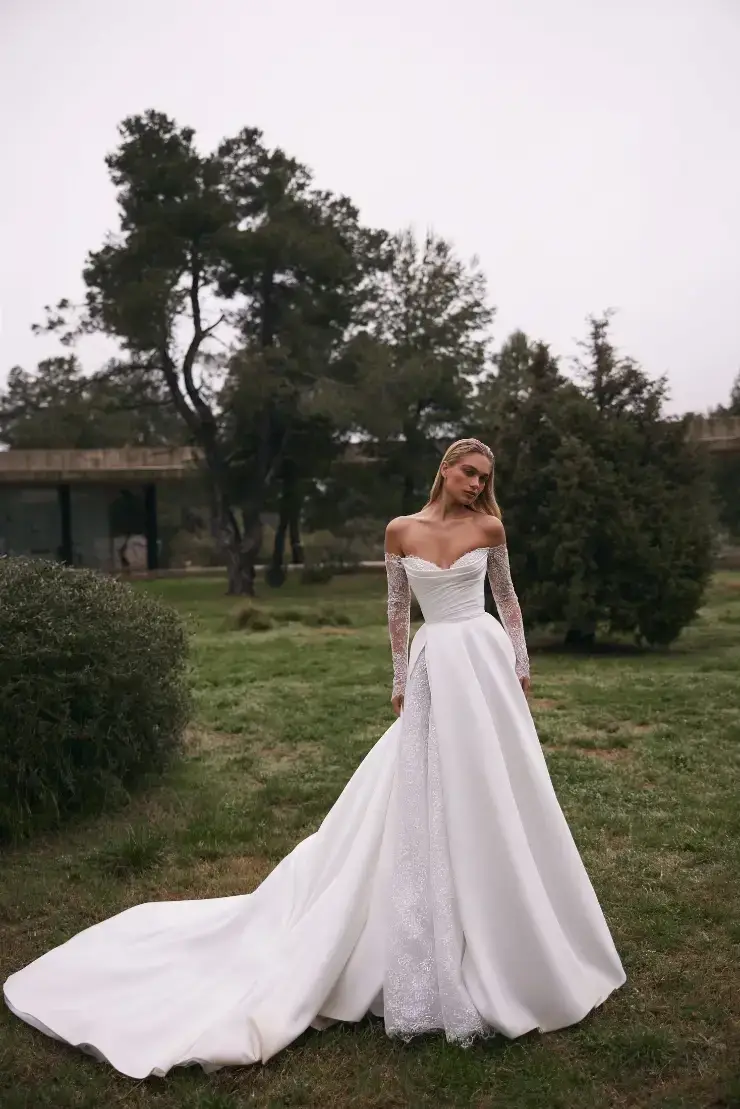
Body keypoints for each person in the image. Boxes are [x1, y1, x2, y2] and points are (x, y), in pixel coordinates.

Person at [3, 439, 625, 1079]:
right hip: (435, 660)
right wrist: (398, 677)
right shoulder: (399, 531)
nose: (476, 484)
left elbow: (508, 598)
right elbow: (395, 613)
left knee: (496, 781)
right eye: (469, 472)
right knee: (427, 781)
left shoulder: (490, 526)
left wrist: (520, 665)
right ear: (445, 469)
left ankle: (514, 911)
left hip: (484, 662)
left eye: (485, 477)